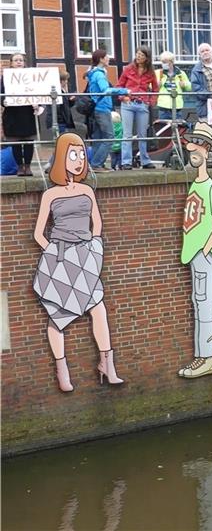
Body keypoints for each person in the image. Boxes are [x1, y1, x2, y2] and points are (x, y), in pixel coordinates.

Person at [33, 132, 124, 392]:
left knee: (98, 308)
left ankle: (107, 365)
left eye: (82, 154)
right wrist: (53, 253)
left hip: (86, 256)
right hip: (61, 257)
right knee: (57, 314)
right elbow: (39, 232)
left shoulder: (86, 190)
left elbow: (97, 221)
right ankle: (62, 370)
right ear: (62, 157)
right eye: (73, 154)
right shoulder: (50, 195)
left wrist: (94, 245)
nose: (79, 159)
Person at [177, 122, 212, 379]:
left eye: (196, 144)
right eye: (190, 144)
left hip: (204, 255)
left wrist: (206, 251)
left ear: (206, 150)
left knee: (206, 306)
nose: (191, 148)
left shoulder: (211, 189)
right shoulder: (196, 185)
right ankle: (201, 356)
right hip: (194, 254)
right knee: (198, 303)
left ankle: (208, 357)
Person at [86, 49, 129, 172]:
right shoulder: (99, 74)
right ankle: (96, 164)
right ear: (101, 59)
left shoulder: (94, 73)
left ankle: (94, 163)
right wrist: (124, 91)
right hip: (102, 108)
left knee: (99, 138)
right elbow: (106, 90)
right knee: (110, 137)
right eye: (106, 57)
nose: (109, 59)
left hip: (97, 108)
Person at [1, 53, 42, 176]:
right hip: (12, 114)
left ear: (24, 62)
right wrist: (4, 102)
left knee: (29, 141)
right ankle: (20, 167)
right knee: (16, 142)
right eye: (16, 60)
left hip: (28, 113)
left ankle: (28, 166)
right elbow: (1, 94)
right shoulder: (5, 78)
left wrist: (37, 103)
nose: (19, 62)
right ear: (11, 63)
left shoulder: (31, 77)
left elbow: (38, 91)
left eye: (21, 60)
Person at [117, 45, 157, 170]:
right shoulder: (128, 69)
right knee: (127, 134)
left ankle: (145, 160)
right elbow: (119, 86)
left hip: (142, 104)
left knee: (142, 134)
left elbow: (155, 89)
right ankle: (126, 162)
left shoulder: (150, 72)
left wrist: (150, 101)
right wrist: (123, 97)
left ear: (147, 58)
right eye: (138, 54)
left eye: (142, 55)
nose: (138, 57)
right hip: (128, 104)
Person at [190, 43, 212, 167]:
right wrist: (211, 95)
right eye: (202, 51)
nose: (205, 52)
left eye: (207, 50)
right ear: (199, 54)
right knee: (206, 133)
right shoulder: (197, 70)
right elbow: (196, 89)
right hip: (205, 106)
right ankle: (208, 160)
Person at [44, 71, 76, 173]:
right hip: (59, 121)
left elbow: (65, 107)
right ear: (61, 81)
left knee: (61, 144)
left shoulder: (62, 91)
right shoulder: (57, 92)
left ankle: (51, 164)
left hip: (62, 120)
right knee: (62, 144)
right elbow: (57, 108)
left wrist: (70, 101)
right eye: (65, 80)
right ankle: (51, 165)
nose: (66, 82)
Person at [155, 51, 192, 120]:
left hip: (177, 106)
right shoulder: (158, 73)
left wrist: (184, 84)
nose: (164, 64)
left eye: (165, 62)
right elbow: (151, 87)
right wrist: (156, 85)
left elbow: (190, 87)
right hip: (163, 107)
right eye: (162, 62)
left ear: (171, 62)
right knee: (164, 128)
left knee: (177, 128)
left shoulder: (180, 73)